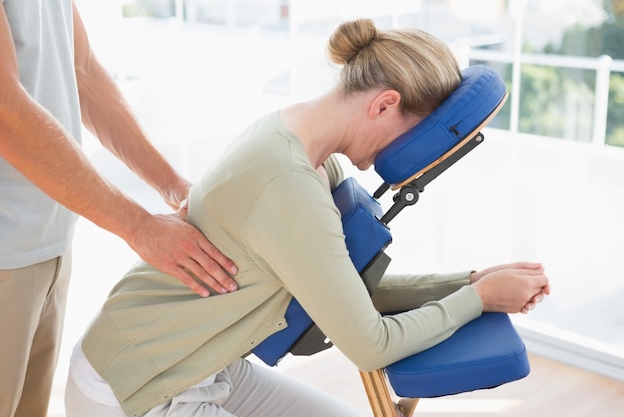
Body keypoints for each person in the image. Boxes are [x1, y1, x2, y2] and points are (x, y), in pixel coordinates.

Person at [65, 18, 550, 417]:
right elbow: (371, 344)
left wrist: (467, 282)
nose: (401, 158)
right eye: (407, 139)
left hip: (203, 362)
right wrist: (477, 299)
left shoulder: (310, 149)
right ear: (384, 105)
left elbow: (343, 291)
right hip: (135, 387)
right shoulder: (289, 183)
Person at [0, 2, 239, 417]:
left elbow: (84, 71)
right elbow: (5, 111)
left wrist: (172, 184)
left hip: (49, 244)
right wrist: (140, 227)